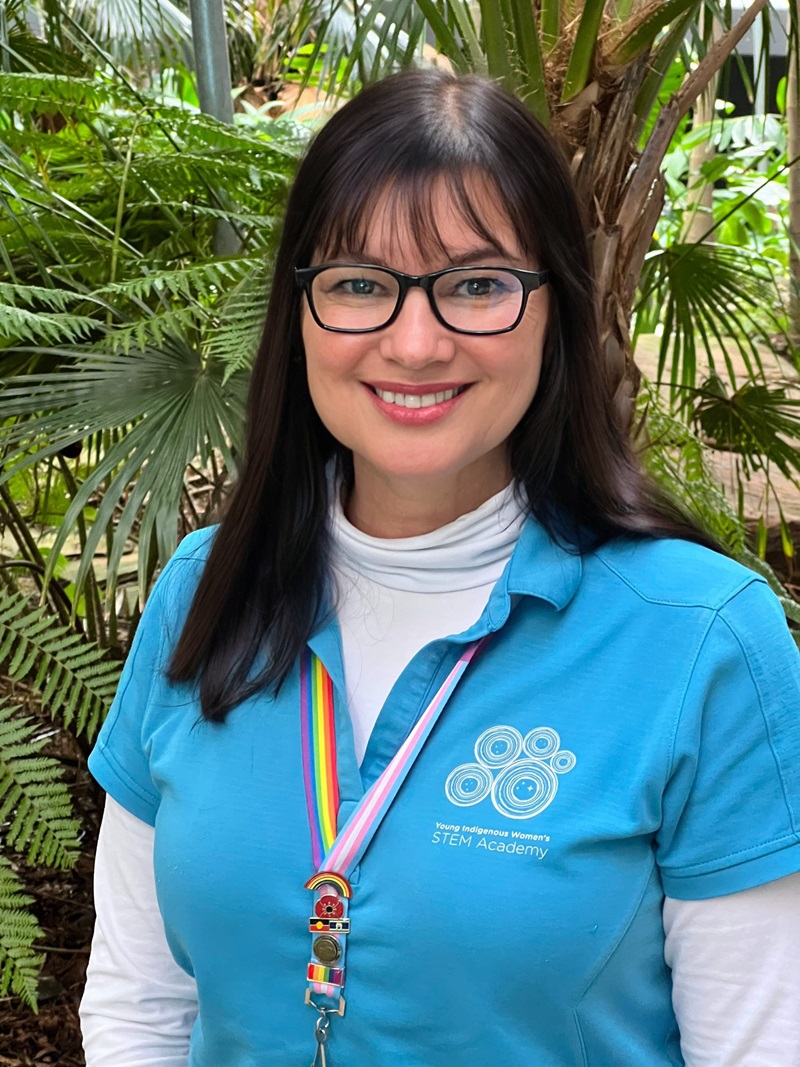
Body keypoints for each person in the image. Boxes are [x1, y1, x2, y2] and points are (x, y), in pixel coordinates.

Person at [80, 68, 800, 1066]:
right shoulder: (206, 589)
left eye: (475, 284)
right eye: (359, 284)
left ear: (554, 310)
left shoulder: (699, 638)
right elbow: (139, 1003)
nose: (413, 343)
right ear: (300, 310)